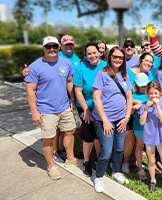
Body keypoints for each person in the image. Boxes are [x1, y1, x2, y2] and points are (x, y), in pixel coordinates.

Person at [25, 36, 81, 180]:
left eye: (54, 46)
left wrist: (72, 100)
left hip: (64, 106)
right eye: (48, 47)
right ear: (43, 48)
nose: (51, 49)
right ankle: (51, 166)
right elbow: (30, 90)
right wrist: (34, 112)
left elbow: (69, 82)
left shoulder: (66, 62)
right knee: (48, 138)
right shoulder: (35, 66)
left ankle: (70, 159)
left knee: (70, 130)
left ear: (58, 47)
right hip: (46, 110)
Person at [92, 46, 132, 193]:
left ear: (123, 60)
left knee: (119, 148)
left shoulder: (124, 75)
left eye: (120, 58)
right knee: (107, 150)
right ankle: (99, 176)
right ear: (110, 57)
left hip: (121, 119)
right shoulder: (101, 74)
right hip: (105, 120)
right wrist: (105, 121)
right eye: (115, 57)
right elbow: (96, 99)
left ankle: (115, 172)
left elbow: (129, 97)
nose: (117, 60)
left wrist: (127, 117)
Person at [73, 43, 107, 177]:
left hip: (103, 106)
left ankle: (100, 159)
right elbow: (78, 91)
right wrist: (86, 110)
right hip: (85, 105)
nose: (92, 56)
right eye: (89, 54)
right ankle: (87, 162)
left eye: (94, 52)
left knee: (100, 134)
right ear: (86, 55)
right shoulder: (81, 69)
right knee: (88, 133)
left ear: (99, 52)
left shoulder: (106, 66)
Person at [122, 53, 155, 174]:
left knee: (142, 143)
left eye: (151, 62)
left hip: (145, 119)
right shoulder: (128, 72)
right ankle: (126, 161)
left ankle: (138, 162)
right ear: (140, 60)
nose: (148, 63)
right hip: (131, 113)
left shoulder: (150, 76)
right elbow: (123, 91)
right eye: (146, 60)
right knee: (130, 140)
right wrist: (134, 102)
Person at [139, 81, 162, 192]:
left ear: (160, 93)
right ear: (147, 94)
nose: (153, 96)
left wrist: (157, 105)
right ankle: (153, 180)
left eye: (156, 93)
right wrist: (146, 109)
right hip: (149, 136)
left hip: (160, 136)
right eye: (151, 94)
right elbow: (141, 122)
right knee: (151, 160)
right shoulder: (144, 105)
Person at [129, 73, 150, 180]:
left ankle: (151, 164)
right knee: (139, 146)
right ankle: (140, 167)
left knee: (150, 147)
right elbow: (130, 112)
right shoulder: (133, 96)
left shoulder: (151, 95)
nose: (143, 87)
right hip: (139, 126)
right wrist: (134, 106)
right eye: (141, 85)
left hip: (151, 127)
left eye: (145, 85)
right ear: (136, 84)